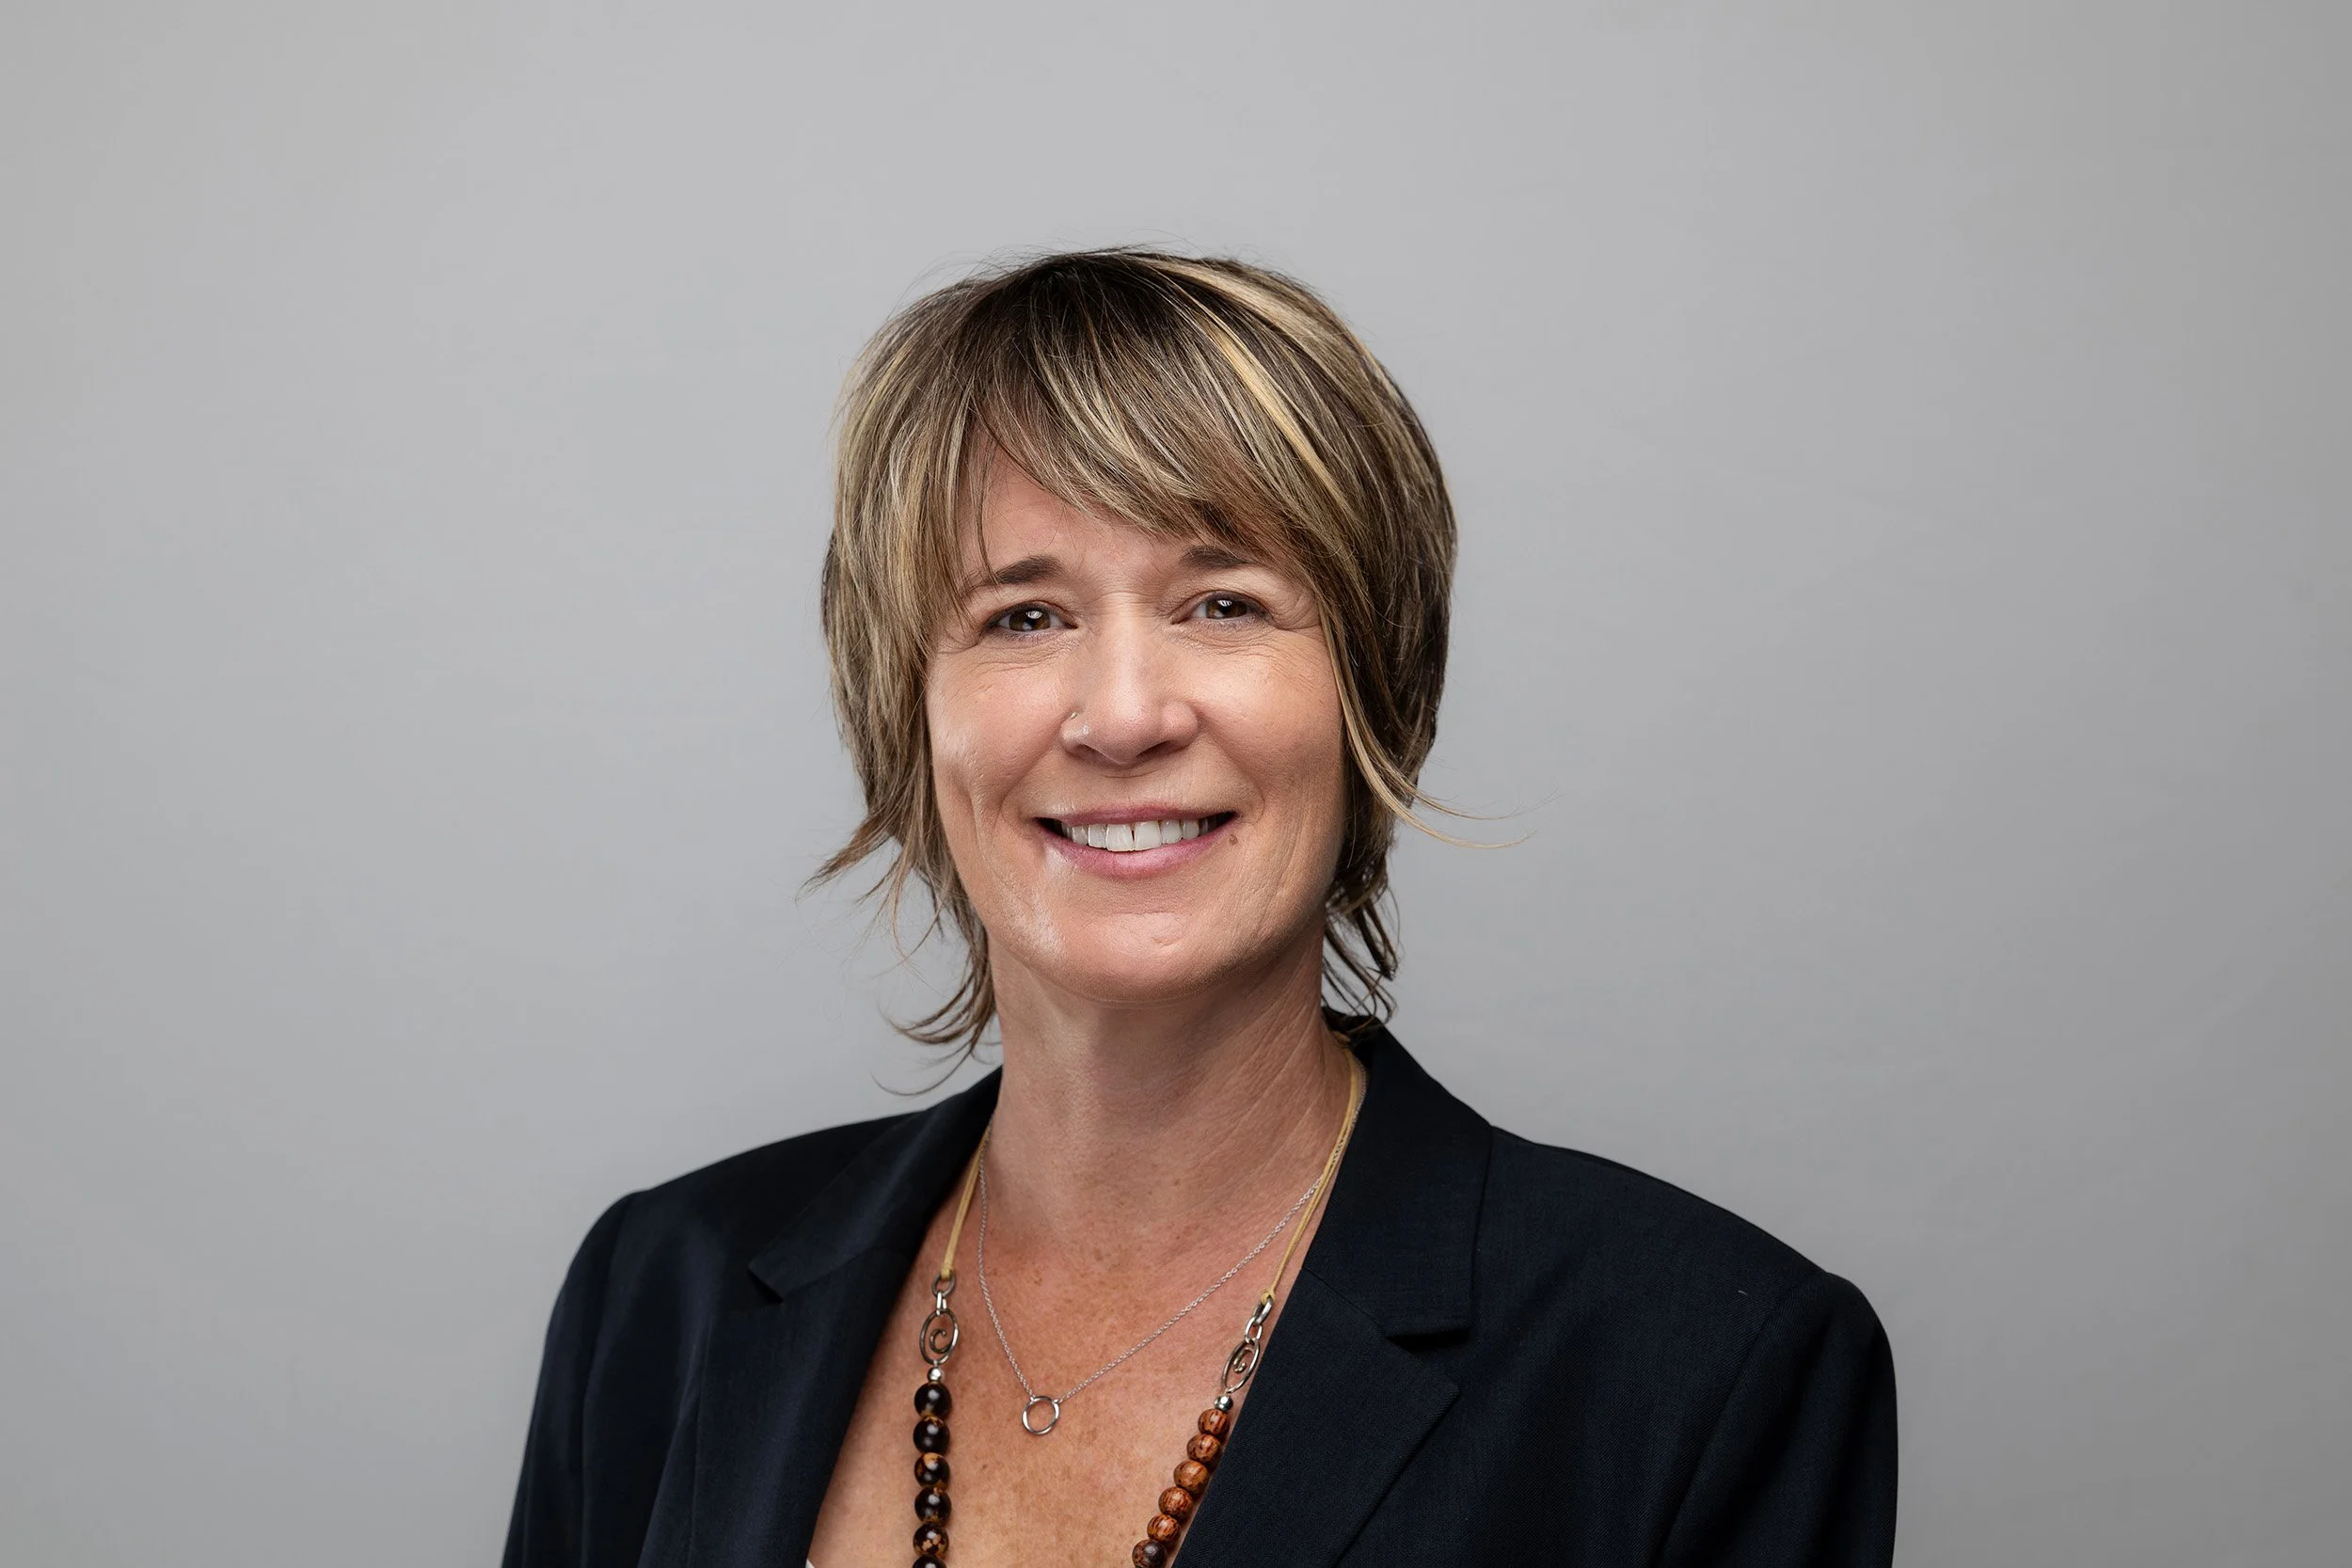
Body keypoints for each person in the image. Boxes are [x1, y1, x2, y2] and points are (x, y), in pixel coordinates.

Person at [501, 249, 1897, 1568]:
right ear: (909, 715)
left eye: (1223, 603)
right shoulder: (663, 1294)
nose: (1121, 716)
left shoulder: (1707, 1366)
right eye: (1023, 617)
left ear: (1372, 695)